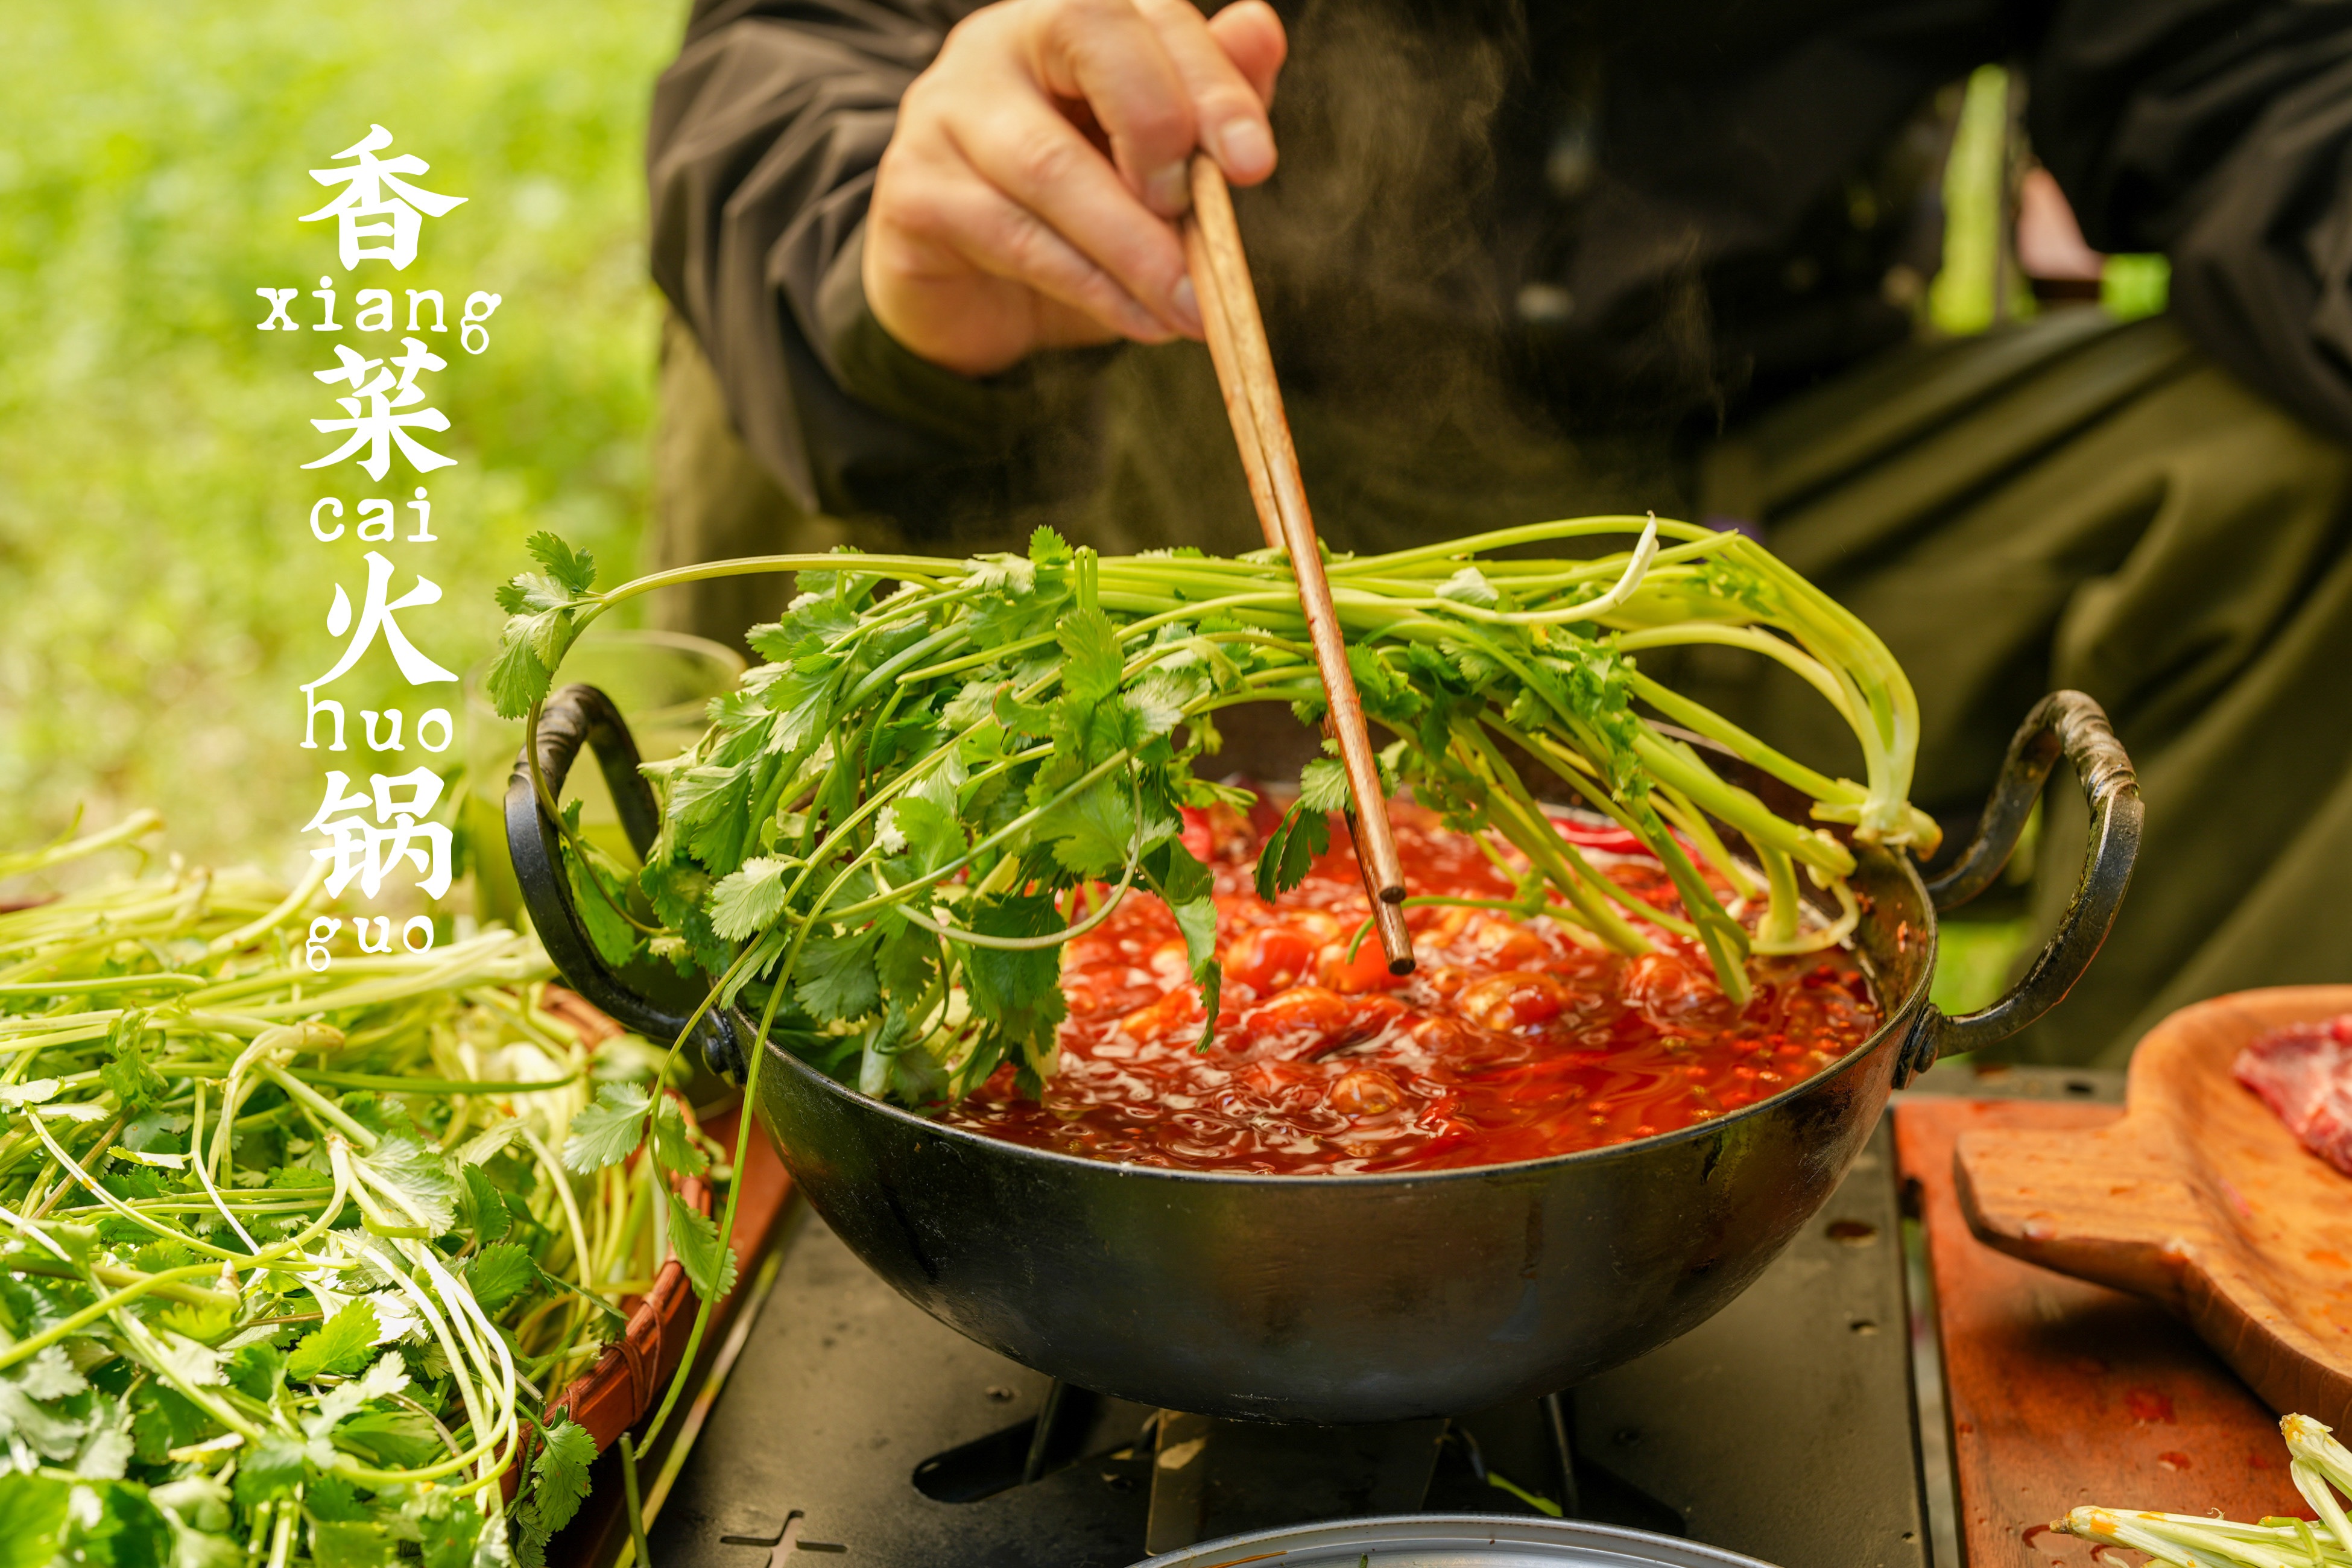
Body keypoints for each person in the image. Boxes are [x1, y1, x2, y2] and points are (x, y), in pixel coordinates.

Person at [643, 0, 2352, 1067]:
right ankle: (733, 1121)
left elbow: (2256, 66)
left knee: (2295, 466)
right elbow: (783, 55)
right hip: (1150, 397)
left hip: (1737, 485)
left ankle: (2098, 1264)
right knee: (821, 329)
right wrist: (884, 211)